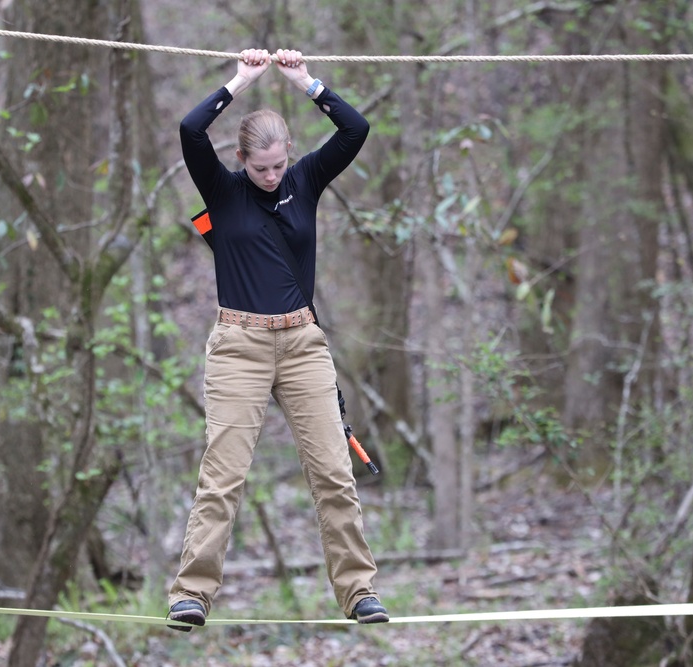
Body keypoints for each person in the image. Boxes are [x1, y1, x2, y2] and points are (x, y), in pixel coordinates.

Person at [166, 47, 388, 631]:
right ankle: (192, 594)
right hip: (239, 344)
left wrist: (305, 82)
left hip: (301, 345)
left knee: (333, 472)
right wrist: (241, 80)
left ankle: (358, 591)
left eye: (278, 165)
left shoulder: (306, 180)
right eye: (261, 167)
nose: (271, 176)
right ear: (241, 160)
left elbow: (355, 128)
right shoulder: (223, 189)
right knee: (223, 476)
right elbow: (191, 128)